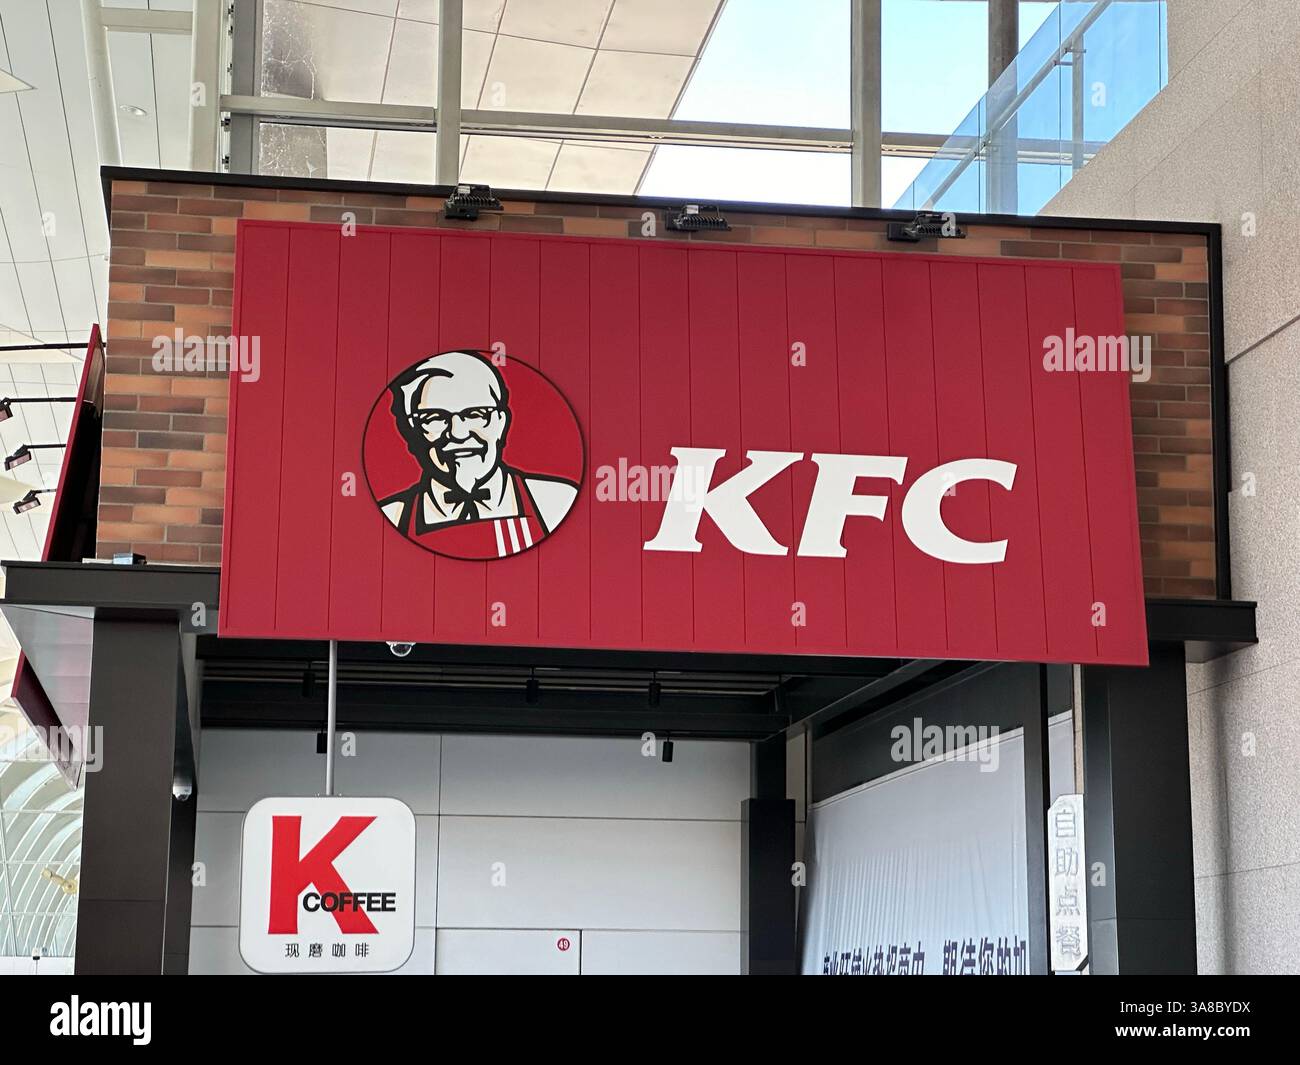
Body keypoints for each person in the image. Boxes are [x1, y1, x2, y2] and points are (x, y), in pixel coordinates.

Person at [378, 351, 577, 558]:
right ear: (412, 431)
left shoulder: (552, 499)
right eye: (435, 418)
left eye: (475, 415)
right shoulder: (395, 513)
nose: (458, 433)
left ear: (501, 422)